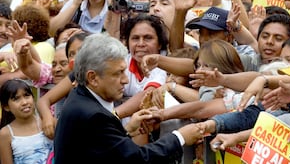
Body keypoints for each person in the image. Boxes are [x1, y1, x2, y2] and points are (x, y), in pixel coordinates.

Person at [53, 33, 205, 163]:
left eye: (125, 72)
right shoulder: (94, 115)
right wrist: (180, 137)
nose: (125, 80)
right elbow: (137, 159)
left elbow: (104, 150)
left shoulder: (80, 97)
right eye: (118, 73)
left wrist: (127, 131)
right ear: (93, 78)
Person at [0, 79, 53, 164]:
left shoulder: (47, 122)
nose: (24, 102)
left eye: (27, 95)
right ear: (6, 107)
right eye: (16, 99)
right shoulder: (6, 133)